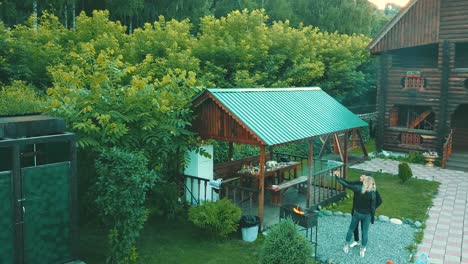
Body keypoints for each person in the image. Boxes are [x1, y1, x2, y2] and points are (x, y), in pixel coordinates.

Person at [336, 174, 381, 257]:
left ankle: (346, 245)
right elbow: (376, 203)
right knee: (365, 232)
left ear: (365, 182)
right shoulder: (373, 193)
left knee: (351, 229)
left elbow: (347, 185)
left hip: (357, 213)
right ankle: (363, 249)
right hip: (367, 215)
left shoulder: (358, 188)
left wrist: (338, 178)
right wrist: (372, 210)